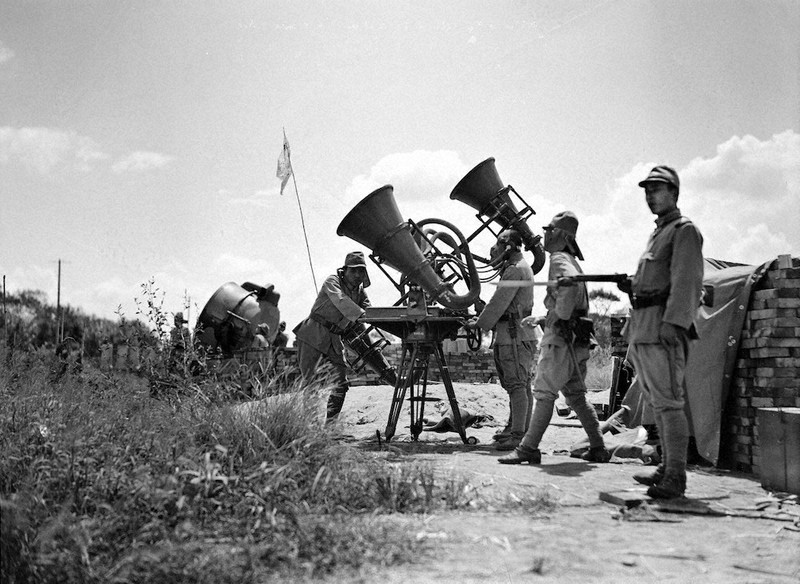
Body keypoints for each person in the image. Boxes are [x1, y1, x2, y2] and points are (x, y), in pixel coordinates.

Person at [499, 211, 610, 465]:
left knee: (544, 393)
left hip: (560, 341)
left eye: (549, 230)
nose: (545, 235)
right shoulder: (570, 259)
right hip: (575, 340)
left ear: (561, 235)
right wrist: (544, 318)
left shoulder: (559, 258)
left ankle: (528, 448)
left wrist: (558, 316)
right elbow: (567, 295)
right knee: (576, 397)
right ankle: (598, 447)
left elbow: (567, 289)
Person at [620, 166, 704, 499]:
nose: (650, 195)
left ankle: (675, 477)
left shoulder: (684, 231)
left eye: (657, 189)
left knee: (669, 404)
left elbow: (688, 282)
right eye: (647, 189)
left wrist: (675, 323)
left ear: (674, 192)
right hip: (645, 329)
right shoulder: (659, 233)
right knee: (658, 404)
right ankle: (666, 467)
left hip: (663, 330)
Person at [465, 229, 535, 451]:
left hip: (514, 336)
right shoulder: (519, 267)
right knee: (521, 385)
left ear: (508, 247)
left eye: (498, 244)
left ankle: (518, 434)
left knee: (517, 385)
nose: (493, 249)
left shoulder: (514, 271)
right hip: (515, 333)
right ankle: (517, 427)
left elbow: (498, 303)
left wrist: (479, 323)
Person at [294, 251, 371, 421]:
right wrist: (362, 314)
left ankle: (331, 425)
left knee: (341, 383)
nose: (358, 275)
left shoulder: (360, 291)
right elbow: (342, 301)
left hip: (335, 338)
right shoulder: (332, 281)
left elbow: (368, 312)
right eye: (354, 270)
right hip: (313, 334)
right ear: (345, 270)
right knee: (310, 383)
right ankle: (309, 426)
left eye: (361, 271)